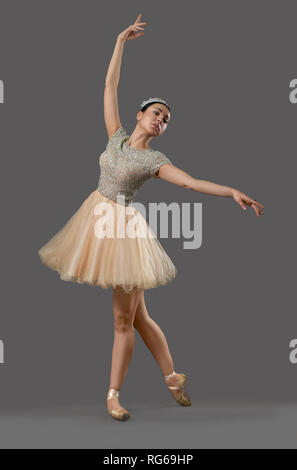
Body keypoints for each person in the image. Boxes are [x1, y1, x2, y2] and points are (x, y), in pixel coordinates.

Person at [38, 13, 264, 422]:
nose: (161, 120)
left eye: (167, 120)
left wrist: (230, 190)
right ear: (141, 113)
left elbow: (191, 183)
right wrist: (120, 40)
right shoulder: (116, 136)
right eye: (157, 113)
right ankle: (172, 377)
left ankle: (112, 395)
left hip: (121, 230)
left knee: (124, 319)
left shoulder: (154, 159)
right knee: (140, 317)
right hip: (95, 219)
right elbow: (109, 86)